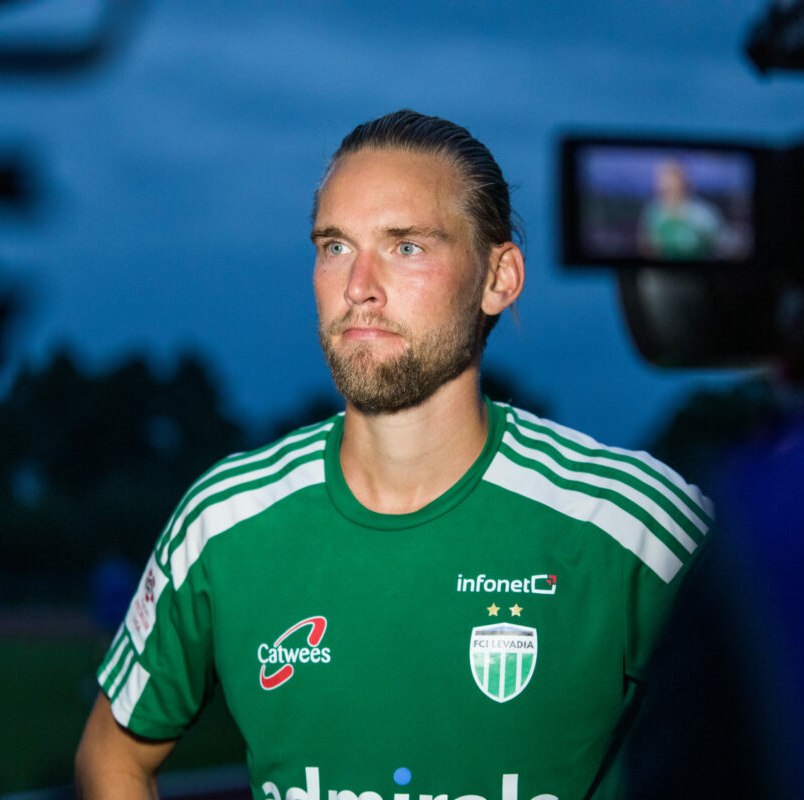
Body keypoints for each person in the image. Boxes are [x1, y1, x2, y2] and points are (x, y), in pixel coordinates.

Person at [75, 110, 712, 800]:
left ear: (500, 277)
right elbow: (112, 757)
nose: (359, 287)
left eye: (406, 247)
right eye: (335, 247)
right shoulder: (223, 521)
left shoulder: (631, 523)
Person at [637, 160, 724, 260]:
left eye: (672, 175)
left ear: (684, 180)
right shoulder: (651, 212)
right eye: (661, 177)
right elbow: (645, 249)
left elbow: (721, 246)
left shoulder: (704, 214)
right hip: (658, 274)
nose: (666, 182)